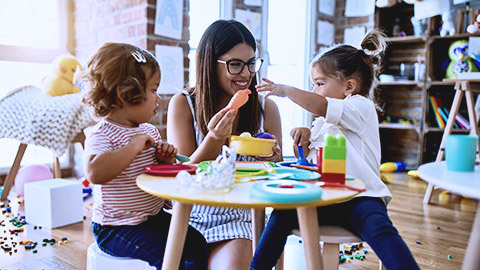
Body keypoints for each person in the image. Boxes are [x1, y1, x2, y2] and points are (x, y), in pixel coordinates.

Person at [250, 29, 420, 270]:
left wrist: (286, 91)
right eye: (313, 84)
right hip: (325, 199)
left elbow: (320, 105)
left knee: (381, 230)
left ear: (349, 86)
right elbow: (312, 164)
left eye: (319, 83)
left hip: (362, 197)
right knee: (281, 213)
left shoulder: (360, 107)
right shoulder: (322, 123)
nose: (314, 90)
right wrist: (305, 143)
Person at [167, 20, 283, 269]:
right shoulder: (183, 104)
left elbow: (275, 174)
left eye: (251, 63)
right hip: (191, 217)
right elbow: (183, 177)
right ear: (209, 63)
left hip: (242, 218)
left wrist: (274, 160)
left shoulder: (266, 108)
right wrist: (214, 139)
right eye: (235, 65)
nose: (246, 73)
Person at [82, 42, 209, 269]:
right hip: (116, 228)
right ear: (125, 94)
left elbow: (155, 173)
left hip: (152, 217)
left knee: (198, 245)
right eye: (153, 90)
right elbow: (94, 172)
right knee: (171, 259)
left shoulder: (148, 131)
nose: (158, 98)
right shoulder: (102, 134)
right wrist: (131, 148)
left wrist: (165, 160)